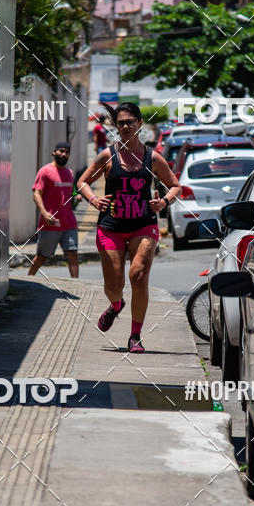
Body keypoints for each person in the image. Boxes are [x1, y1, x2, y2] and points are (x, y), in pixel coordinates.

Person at [77, 103, 181, 353]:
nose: (125, 126)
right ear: (116, 126)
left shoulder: (152, 158)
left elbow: (175, 185)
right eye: (121, 123)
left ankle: (135, 335)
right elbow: (82, 182)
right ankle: (115, 306)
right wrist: (93, 199)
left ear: (140, 124)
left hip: (143, 225)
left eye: (130, 122)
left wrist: (164, 201)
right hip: (111, 226)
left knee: (138, 275)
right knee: (113, 284)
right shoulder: (107, 155)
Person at [29, 142, 80, 278]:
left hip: (69, 223)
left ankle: (76, 284)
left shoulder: (69, 173)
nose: (64, 154)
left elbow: (72, 193)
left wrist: (76, 197)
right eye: (61, 151)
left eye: (67, 152)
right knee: (41, 256)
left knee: (73, 253)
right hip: (50, 223)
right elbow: (36, 194)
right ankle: (28, 281)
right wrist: (44, 213)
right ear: (54, 153)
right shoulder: (45, 171)